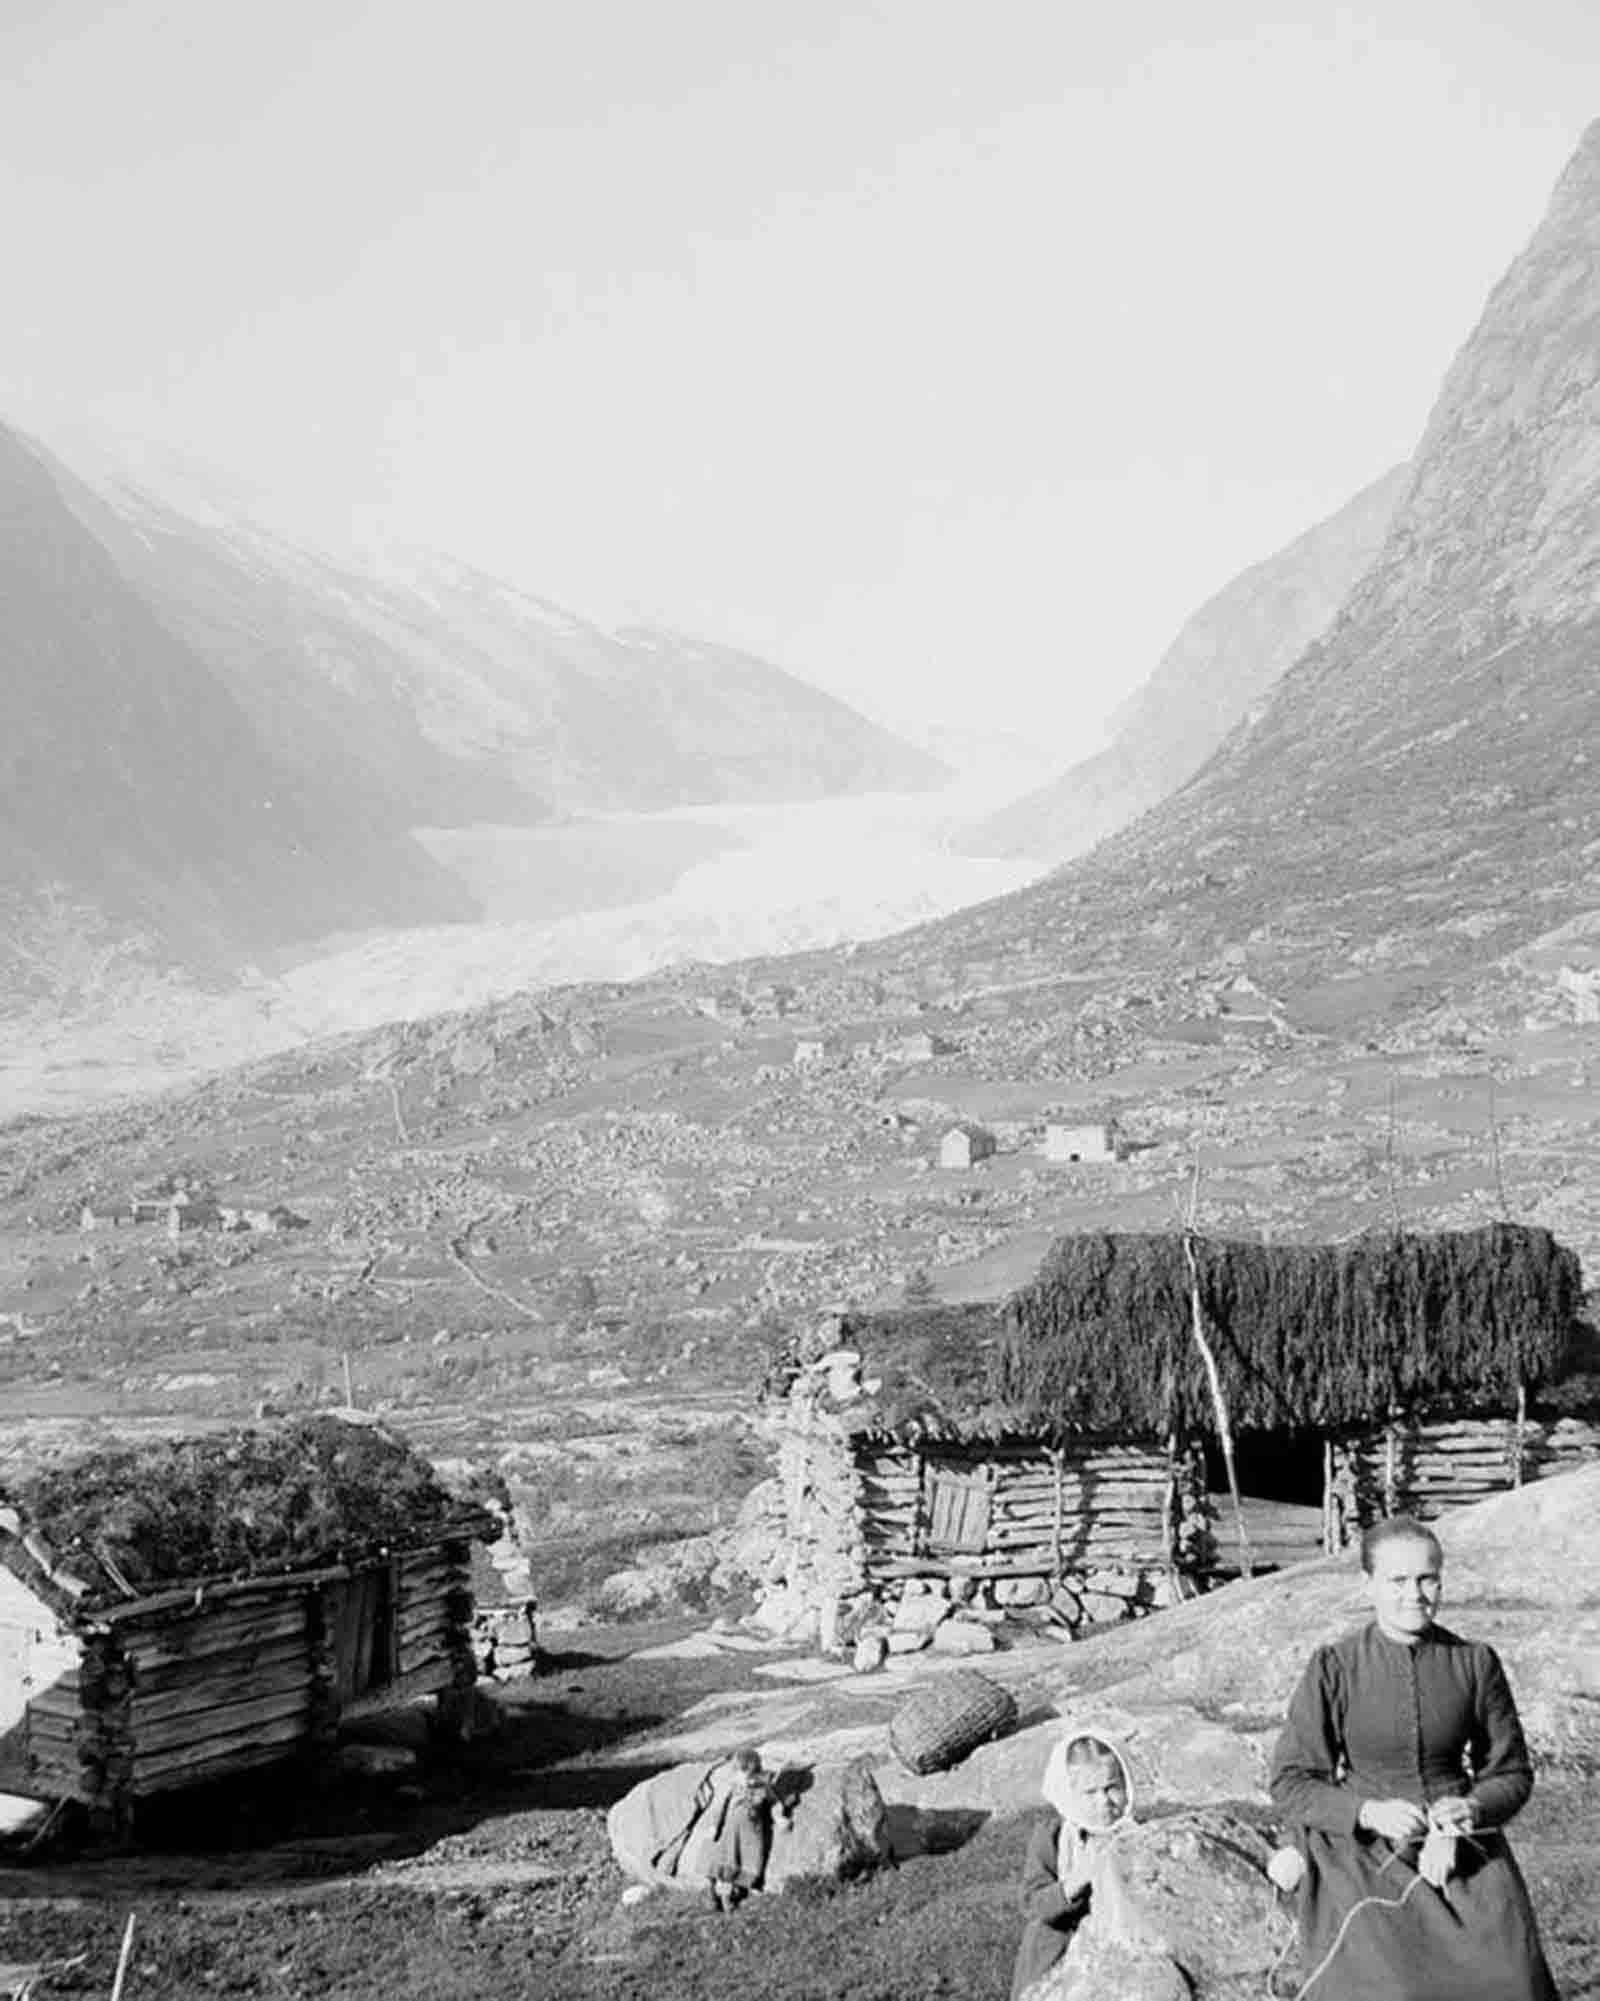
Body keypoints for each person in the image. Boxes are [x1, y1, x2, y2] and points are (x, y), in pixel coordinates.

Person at [1269, 1515, 1559, 2000]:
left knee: (1513, 1977)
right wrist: (1366, 1812)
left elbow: (1510, 1772)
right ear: (1369, 1585)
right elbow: (1292, 1780)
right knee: (1390, 1987)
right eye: (1397, 1581)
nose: (1414, 1595)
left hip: (1458, 1847)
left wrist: (1472, 1810)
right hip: (1361, 1855)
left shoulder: (1474, 1663)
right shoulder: (1335, 1667)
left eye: (1426, 1579)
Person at [1011, 1731, 1133, 2000]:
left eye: (1112, 1787)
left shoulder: (1136, 1836)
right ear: (1069, 1794)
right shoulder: (1053, 1836)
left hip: (1112, 1958)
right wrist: (1075, 1882)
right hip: (1054, 1956)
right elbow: (1032, 1903)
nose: (1104, 1801)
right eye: (1090, 1792)